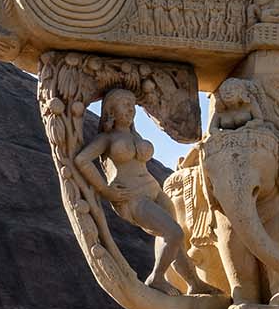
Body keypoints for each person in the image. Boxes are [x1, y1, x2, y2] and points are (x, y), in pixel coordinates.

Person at [73, 89, 202, 294]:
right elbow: (82, 160)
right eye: (124, 105)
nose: (130, 109)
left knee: (174, 237)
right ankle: (156, 278)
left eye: (132, 105)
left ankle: (194, 283)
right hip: (131, 197)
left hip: (154, 190)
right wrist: (105, 190)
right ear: (111, 111)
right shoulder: (107, 138)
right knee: (174, 233)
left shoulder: (135, 135)